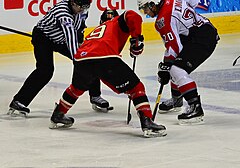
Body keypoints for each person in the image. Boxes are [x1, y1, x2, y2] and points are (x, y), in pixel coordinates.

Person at [49, 9, 167, 138]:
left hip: (81, 58)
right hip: (105, 57)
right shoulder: (117, 22)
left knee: (76, 88)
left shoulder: (97, 29)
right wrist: (136, 39)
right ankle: (147, 122)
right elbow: (132, 15)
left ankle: (58, 114)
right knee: (136, 88)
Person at [7, 0, 110, 117]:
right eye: (80, 6)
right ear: (72, 2)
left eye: (86, 6)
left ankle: (95, 96)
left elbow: (79, 28)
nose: (83, 9)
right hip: (43, 38)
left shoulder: (82, 9)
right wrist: (79, 59)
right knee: (45, 70)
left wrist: (83, 52)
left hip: (60, 39)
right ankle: (19, 101)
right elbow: (70, 37)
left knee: (89, 59)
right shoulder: (63, 14)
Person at [137, 0, 220, 125]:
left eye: (145, 9)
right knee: (174, 64)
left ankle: (195, 107)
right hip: (204, 29)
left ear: (152, 4)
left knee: (177, 69)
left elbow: (175, 48)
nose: (146, 13)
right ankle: (177, 100)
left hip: (202, 40)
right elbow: (194, 0)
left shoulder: (162, 20)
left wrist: (165, 67)